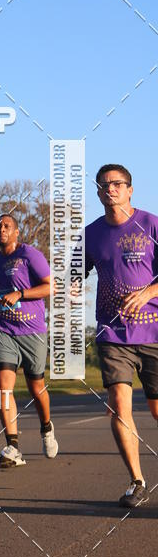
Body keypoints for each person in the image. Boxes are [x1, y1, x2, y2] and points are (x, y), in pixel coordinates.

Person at [85, 164, 158, 508]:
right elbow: (74, 272)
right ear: (98, 193)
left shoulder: (152, 224)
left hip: (154, 331)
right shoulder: (91, 234)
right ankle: (137, 481)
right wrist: (70, 288)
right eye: (104, 185)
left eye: (117, 183)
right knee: (118, 408)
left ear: (130, 190)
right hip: (112, 332)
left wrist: (147, 293)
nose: (110, 188)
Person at [0, 213, 58, 467]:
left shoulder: (29, 255)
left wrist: (21, 294)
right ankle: (12, 446)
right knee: (4, 390)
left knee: (36, 388)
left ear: (16, 232)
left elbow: (50, 287)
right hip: (3, 331)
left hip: (32, 331)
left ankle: (46, 427)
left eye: (7, 226)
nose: (1, 230)